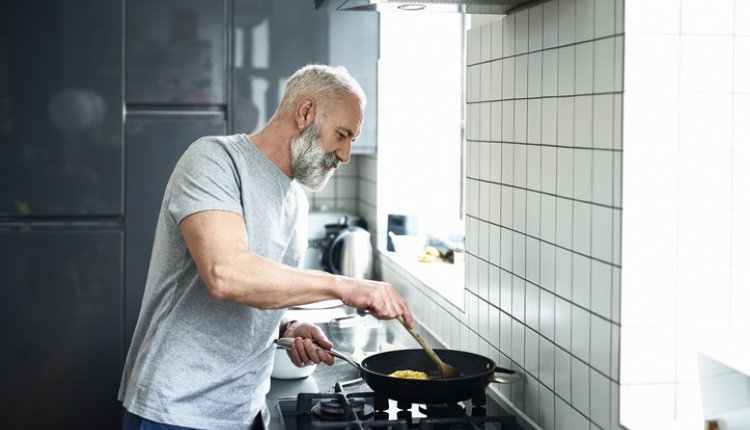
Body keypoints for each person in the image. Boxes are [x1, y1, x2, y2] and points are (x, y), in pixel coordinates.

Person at [118, 64, 414, 430]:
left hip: (243, 409)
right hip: (176, 408)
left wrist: (286, 327)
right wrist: (344, 285)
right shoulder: (214, 160)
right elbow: (226, 275)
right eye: (342, 134)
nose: (346, 154)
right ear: (305, 112)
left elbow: (261, 289)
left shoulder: (296, 201)